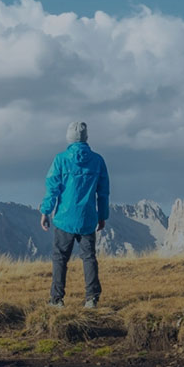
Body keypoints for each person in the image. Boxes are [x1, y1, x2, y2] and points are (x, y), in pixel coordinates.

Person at [39, 121, 111, 309]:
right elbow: (103, 192)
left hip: (64, 219)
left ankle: (56, 299)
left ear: (69, 138)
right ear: (86, 137)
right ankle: (92, 299)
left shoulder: (61, 159)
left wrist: (46, 211)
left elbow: (52, 189)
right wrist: (102, 216)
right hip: (88, 219)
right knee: (89, 258)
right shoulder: (97, 160)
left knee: (60, 258)